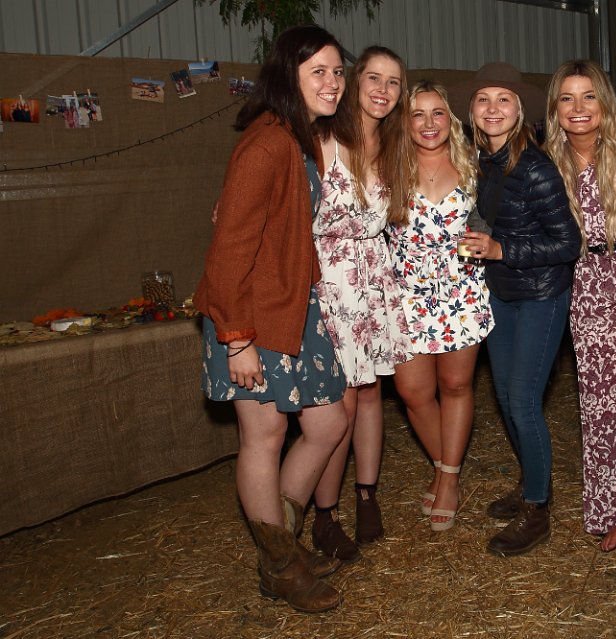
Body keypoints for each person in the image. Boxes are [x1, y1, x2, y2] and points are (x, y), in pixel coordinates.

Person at [192, 25, 350, 613]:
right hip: (249, 316)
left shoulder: (297, 139)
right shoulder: (266, 144)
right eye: (319, 72)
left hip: (291, 307)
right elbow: (230, 249)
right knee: (264, 435)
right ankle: (283, 565)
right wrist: (236, 340)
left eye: (338, 72)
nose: (333, 83)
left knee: (329, 421)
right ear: (289, 76)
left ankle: (278, 547)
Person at [453, 62, 581, 556]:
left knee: (523, 400)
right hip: (501, 292)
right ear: (472, 111)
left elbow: (567, 243)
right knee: (506, 397)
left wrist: (501, 249)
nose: (493, 108)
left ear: (520, 110)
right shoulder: (482, 162)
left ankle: (538, 507)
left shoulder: (535, 167)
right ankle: (531, 480)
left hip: (540, 295)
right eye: (483, 99)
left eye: (503, 99)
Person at [544, 59, 616, 552]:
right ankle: (615, 507)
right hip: (586, 286)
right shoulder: (548, 161)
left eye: (589, 95)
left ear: (605, 102)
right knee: (602, 405)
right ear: (555, 108)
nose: (578, 107)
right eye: (567, 98)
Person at [309, 46, 414, 562]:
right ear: (355, 82)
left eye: (393, 82)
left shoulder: (395, 145)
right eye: (374, 78)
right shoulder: (321, 139)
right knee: (340, 403)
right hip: (328, 282)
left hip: (373, 280)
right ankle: (324, 516)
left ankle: (366, 495)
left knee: (371, 394)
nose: (382, 90)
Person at [389, 80, 493, 532]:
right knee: (413, 392)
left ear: (450, 119)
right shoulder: (389, 166)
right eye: (418, 114)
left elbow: (500, 216)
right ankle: (444, 464)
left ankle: (448, 478)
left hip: (461, 291)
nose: (428, 123)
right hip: (405, 294)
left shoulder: (474, 164)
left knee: (455, 385)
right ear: (405, 122)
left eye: (437, 113)